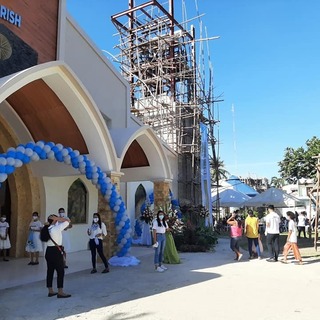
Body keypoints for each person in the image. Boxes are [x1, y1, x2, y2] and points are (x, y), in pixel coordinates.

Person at [41, 214, 71, 298]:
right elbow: (68, 221)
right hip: (56, 251)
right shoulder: (56, 228)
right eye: (55, 217)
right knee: (60, 271)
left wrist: (53, 219)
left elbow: (46, 224)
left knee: (50, 271)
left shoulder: (46, 228)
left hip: (48, 251)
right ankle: (60, 292)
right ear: (54, 220)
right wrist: (58, 218)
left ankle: (50, 291)